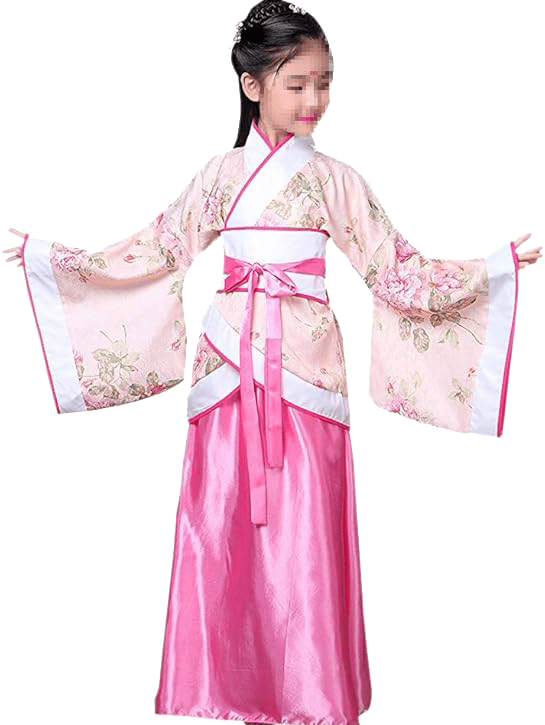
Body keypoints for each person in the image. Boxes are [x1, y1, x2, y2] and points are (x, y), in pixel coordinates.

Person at [2, 1, 541, 723]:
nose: (314, 99)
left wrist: (488, 274)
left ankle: (313, 692)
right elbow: (153, 252)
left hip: (307, 367)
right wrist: (56, 263)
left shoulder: (337, 180)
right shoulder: (219, 175)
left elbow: (394, 270)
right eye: (296, 83)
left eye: (324, 82)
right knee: (219, 520)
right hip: (228, 361)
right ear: (252, 85)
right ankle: (216, 686)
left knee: (306, 528)